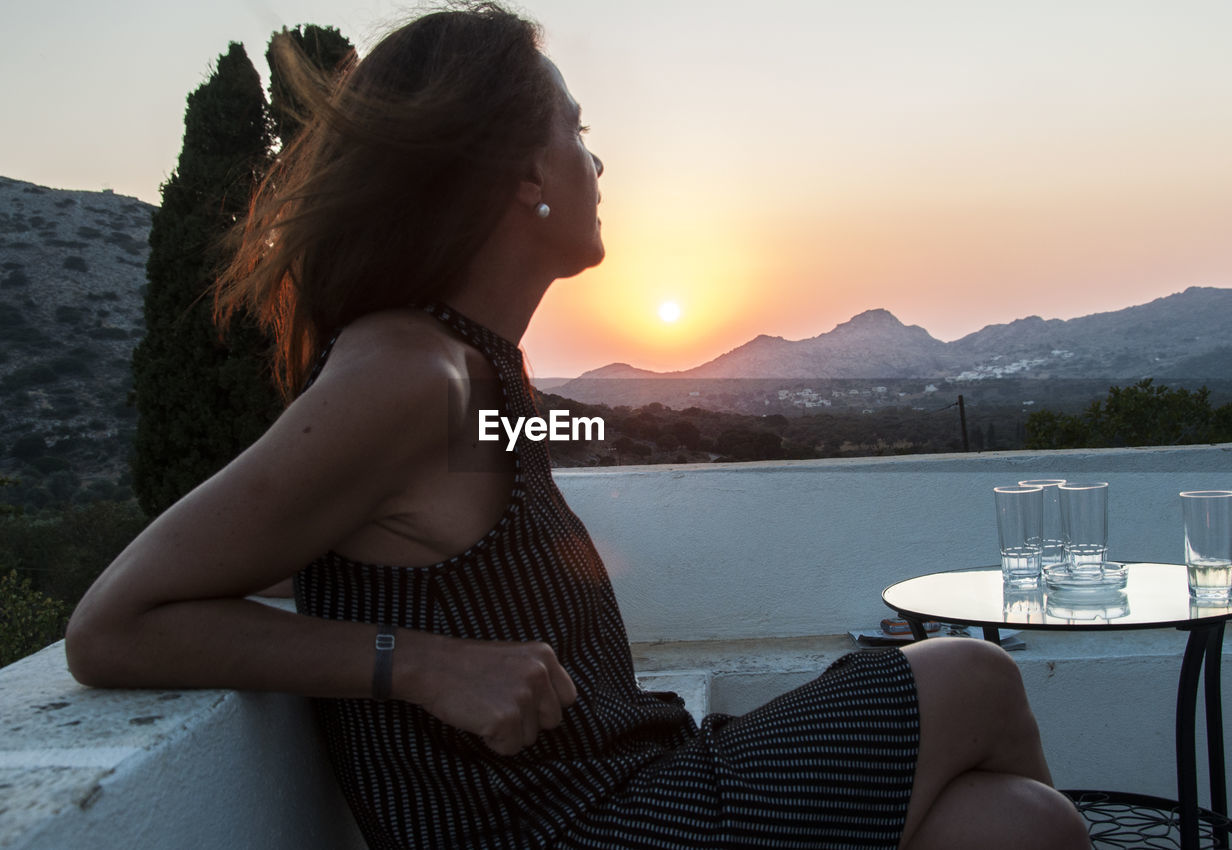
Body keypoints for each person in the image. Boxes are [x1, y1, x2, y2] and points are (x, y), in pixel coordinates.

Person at [65, 4, 1091, 848]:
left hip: (629, 779)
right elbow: (115, 623)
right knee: (972, 675)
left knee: (1016, 825)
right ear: (523, 175)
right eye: (578, 136)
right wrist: (415, 662)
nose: (596, 167)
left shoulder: (475, 372)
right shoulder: (404, 370)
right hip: (566, 828)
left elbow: (381, 541)